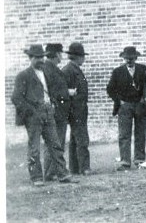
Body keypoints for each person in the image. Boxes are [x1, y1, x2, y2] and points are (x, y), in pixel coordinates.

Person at [11, 44, 76, 186]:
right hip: (34, 116)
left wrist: (52, 104)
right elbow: (16, 98)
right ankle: (36, 177)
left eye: (42, 57)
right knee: (34, 147)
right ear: (30, 58)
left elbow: (50, 91)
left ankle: (63, 174)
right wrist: (31, 112)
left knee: (55, 145)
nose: (40, 60)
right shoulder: (23, 75)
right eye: (37, 57)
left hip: (48, 112)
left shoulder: (45, 73)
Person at [106, 45, 146, 170]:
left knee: (140, 133)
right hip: (124, 106)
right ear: (123, 59)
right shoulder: (117, 72)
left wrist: (144, 98)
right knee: (124, 134)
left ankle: (139, 159)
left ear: (136, 58)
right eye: (126, 58)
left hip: (140, 105)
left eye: (131, 58)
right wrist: (119, 100)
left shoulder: (143, 70)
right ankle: (125, 161)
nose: (129, 61)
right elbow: (110, 89)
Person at [61, 42, 91, 176]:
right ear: (77, 57)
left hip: (79, 110)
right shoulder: (68, 70)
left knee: (75, 139)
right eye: (82, 56)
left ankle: (75, 168)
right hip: (75, 110)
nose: (83, 59)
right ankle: (84, 168)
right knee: (82, 139)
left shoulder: (74, 69)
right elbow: (62, 90)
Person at [42, 43, 70, 182]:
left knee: (56, 141)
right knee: (54, 142)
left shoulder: (51, 68)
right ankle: (49, 172)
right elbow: (51, 90)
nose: (61, 56)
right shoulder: (48, 69)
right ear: (56, 54)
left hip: (59, 109)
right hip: (56, 110)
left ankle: (51, 171)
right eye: (60, 53)